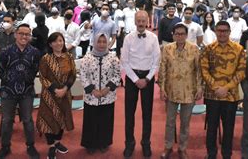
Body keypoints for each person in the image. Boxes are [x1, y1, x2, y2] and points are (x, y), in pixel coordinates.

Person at [201, 21, 246, 159]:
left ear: (229, 32)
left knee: (228, 129)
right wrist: (216, 87)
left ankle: (227, 155)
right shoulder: (208, 49)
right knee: (211, 128)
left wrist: (226, 87)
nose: (222, 33)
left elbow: (241, 71)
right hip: (212, 95)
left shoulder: (238, 49)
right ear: (215, 31)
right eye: (219, 30)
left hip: (230, 95)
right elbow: (204, 70)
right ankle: (211, 154)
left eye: (225, 31)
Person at [0, 23, 41, 159]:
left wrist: (24, 80)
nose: (24, 36)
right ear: (16, 34)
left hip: (27, 91)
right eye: (21, 33)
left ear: (30, 36)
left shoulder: (35, 52)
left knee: (28, 120)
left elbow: (35, 70)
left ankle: (31, 146)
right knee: (7, 120)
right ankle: (5, 147)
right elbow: (0, 69)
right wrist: (10, 80)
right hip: (8, 91)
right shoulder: (5, 51)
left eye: (27, 34)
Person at [158, 23, 202, 159]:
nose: (180, 36)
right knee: (169, 122)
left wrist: (200, 88)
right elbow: (162, 69)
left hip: (189, 91)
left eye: (182, 34)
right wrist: (162, 88)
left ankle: (182, 148)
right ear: (173, 35)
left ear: (186, 35)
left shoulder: (194, 49)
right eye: (177, 34)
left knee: (185, 123)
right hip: (171, 91)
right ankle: (168, 146)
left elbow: (199, 71)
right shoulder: (167, 49)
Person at [121, 11, 161, 158]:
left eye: (144, 20)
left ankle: (146, 143)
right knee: (129, 113)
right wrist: (135, 79)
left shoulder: (153, 38)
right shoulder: (128, 38)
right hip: (132, 79)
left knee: (147, 113)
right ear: (135, 21)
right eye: (139, 20)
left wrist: (147, 78)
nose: (141, 23)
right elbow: (124, 60)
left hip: (147, 79)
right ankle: (129, 144)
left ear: (147, 21)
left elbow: (156, 61)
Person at [36, 32, 77, 159]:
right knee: (49, 119)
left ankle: (58, 142)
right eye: (55, 41)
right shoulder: (46, 58)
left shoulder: (69, 57)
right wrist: (55, 90)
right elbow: (42, 77)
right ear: (50, 44)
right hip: (49, 95)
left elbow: (73, 75)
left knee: (62, 119)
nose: (58, 43)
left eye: (61, 41)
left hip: (65, 94)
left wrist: (64, 89)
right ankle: (51, 146)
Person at [80, 33, 121, 153]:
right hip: (91, 96)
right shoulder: (87, 57)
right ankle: (90, 144)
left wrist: (106, 89)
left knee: (105, 120)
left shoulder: (113, 57)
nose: (102, 44)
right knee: (91, 120)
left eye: (104, 41)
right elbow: (83, 75)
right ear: (94, 42)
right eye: (99, 41)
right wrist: (92, 90)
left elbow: (117, 74)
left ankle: (104, 142)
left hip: (107, 96)